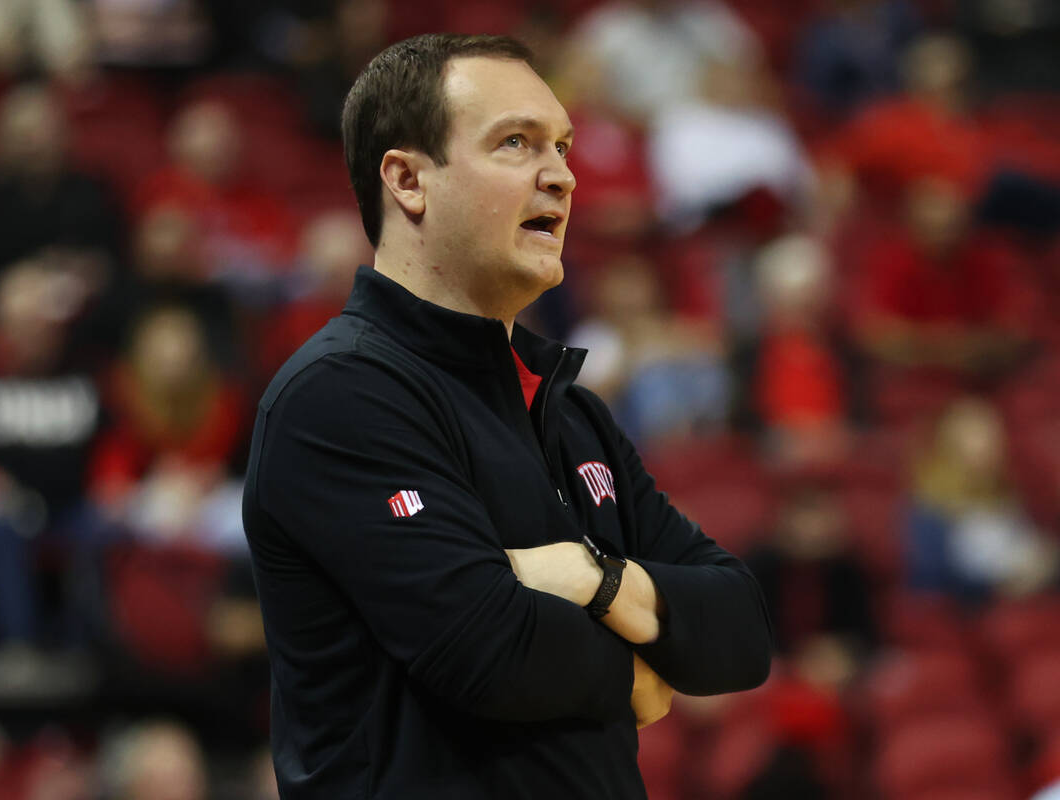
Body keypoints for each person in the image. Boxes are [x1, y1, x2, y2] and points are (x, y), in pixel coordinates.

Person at [241, 33, 773, 799]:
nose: (560, 175)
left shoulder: (568, 408)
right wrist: (642, 668)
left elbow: (743, 630)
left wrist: (591, 579)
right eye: (517, 144)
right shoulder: (337, 395)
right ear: (408, 181)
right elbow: (490, 651)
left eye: (562, 146)